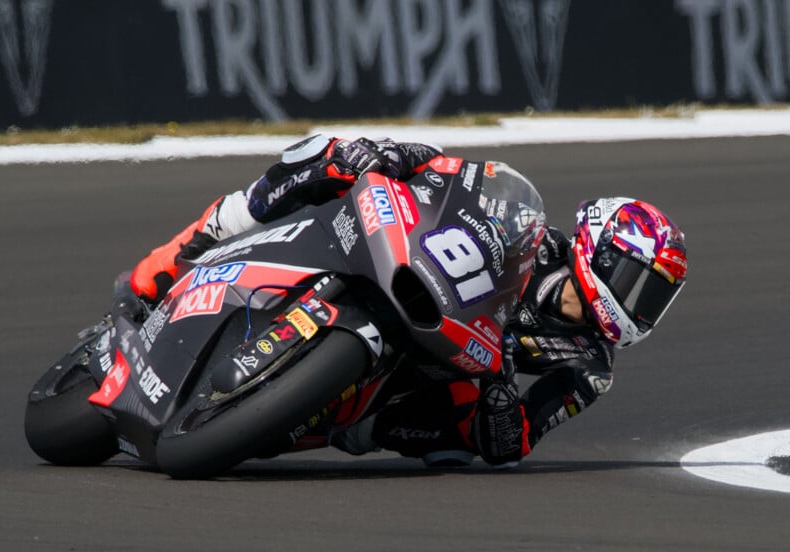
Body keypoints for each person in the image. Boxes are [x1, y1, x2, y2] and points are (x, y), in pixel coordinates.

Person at [128, 134, 688, 469]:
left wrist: (499, 409)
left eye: (655, 298)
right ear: (602, 252)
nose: (640, 307)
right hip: (418, 281)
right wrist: (412, 158)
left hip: (441, 372)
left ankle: (329, 417)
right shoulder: (531, 229)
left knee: (457, 453)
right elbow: (461, 182)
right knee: (327, 152)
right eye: (639, 284)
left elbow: (517, 440)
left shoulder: (589, 369)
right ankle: (189, 249)